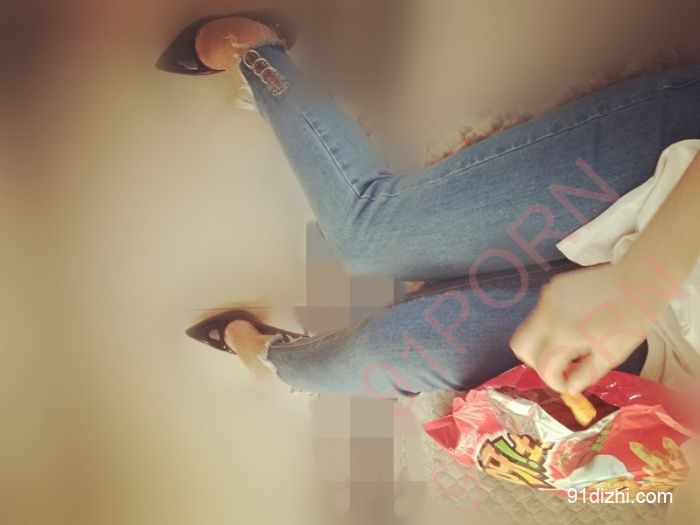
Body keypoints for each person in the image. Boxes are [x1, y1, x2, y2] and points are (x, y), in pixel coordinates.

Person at [157, 12, 700, 398]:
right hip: (670, 181)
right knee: (370, 237)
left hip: (668, 354)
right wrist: (639, 283)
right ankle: (255, 52)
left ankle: (270, 359)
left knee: (382, 355)